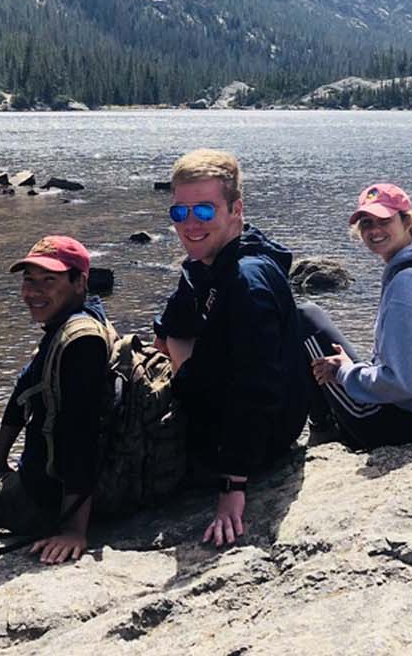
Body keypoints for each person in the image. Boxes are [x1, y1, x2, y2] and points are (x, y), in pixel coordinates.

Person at [154, 149, 309, 547]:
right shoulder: (212, 261)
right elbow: (170, 325)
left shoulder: (248, 282)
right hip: (231, 410)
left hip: (257, 441)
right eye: (179, 213)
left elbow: (258, 390)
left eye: (204, 211)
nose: (189, 224)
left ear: (235, 209)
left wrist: (232, 486)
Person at [0, 236, 110, 564]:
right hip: (43, 483)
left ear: (79, 282)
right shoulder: (71, 323)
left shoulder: (81, 343)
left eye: (49, 280)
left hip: (45, 500)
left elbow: (83, 435)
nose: (33, 292)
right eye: (28, 281)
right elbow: (23, 388)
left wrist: (73, 529)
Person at [303, 183, 412, 450]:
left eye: (384, 220)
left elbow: (401, 384)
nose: (374, 230)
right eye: (366, 223)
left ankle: (323, 429)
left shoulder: (407, 284)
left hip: (401, 424)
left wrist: (343, 371)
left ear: (407, 221)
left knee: (305, 318)